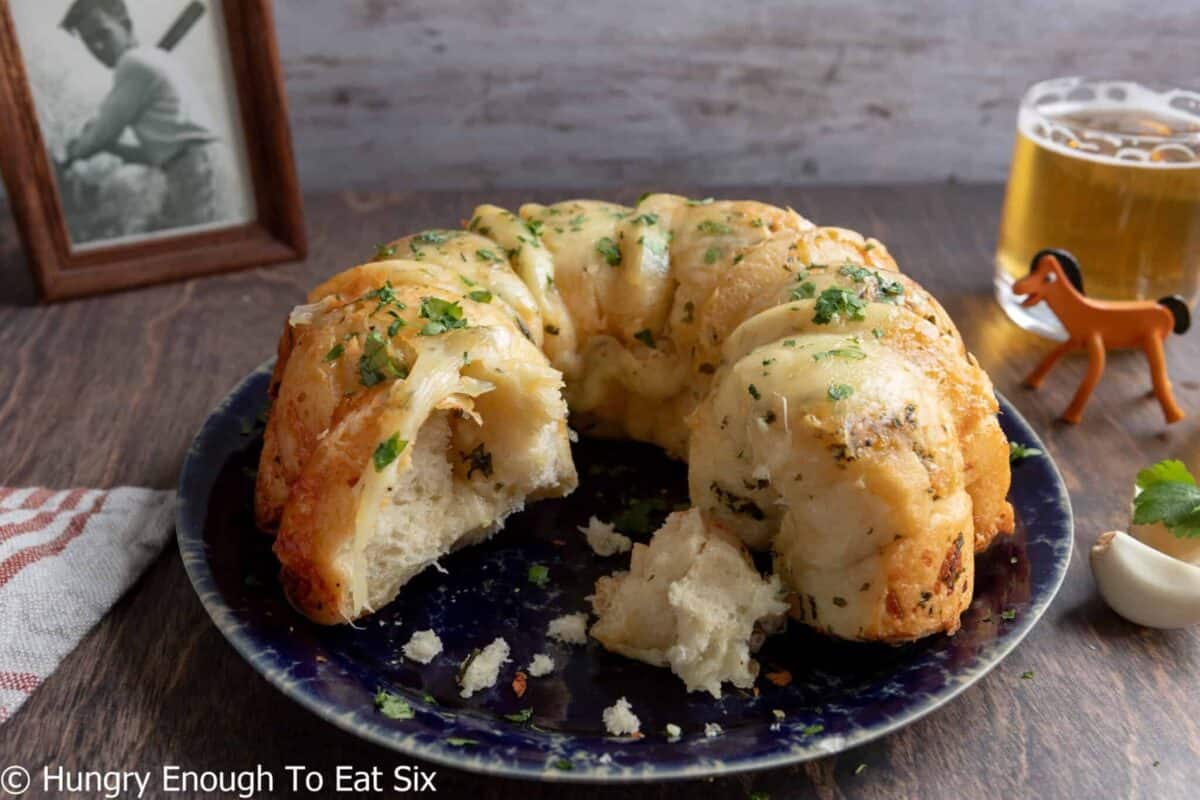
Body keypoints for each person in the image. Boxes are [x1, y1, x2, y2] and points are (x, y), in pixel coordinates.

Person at [61, 0, 219, 231]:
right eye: (89, 42)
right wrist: (114, 148)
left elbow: (99, 136)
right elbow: (155, 156)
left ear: (126, 25)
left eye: (103, 34)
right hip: (196, 167)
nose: (97, 46)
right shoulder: (154, 59)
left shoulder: (133, 63)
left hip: (197, 170)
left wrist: (74, 151)